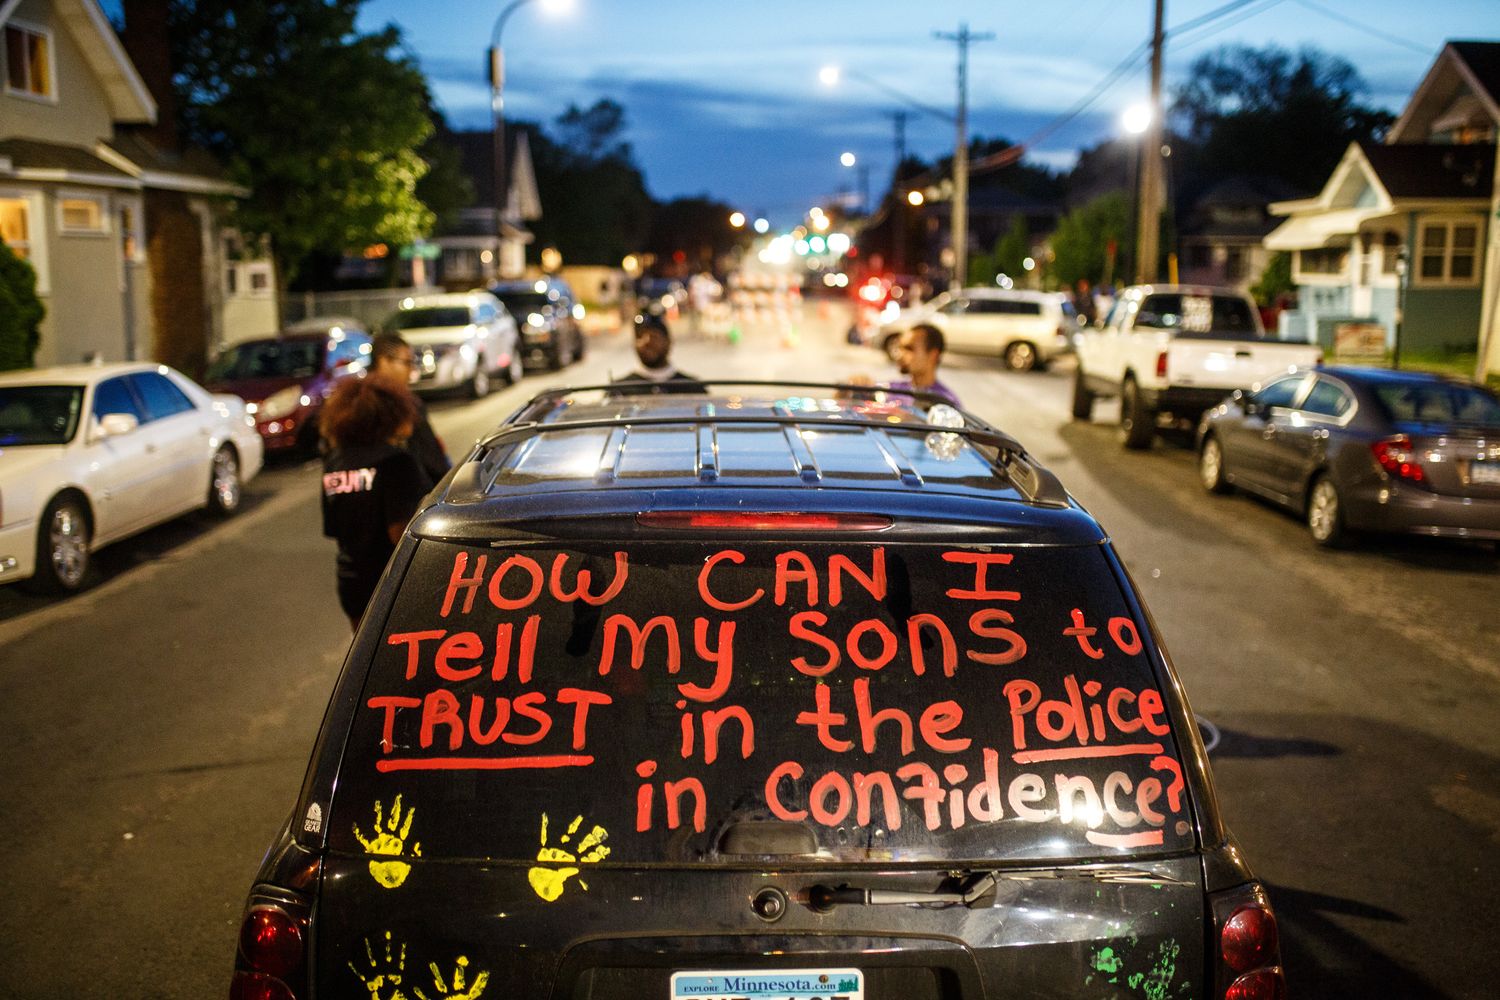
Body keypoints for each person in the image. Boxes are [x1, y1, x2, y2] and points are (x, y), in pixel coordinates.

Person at [320, 378, 433, 629]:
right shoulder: (397, 462)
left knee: (366, 656)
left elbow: (334, 529)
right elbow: (401, 534)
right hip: (394, 582)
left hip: (352, 582)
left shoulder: (334, 462)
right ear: (390, 415)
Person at [368, 332, 451, 483]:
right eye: (407, 363)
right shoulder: (404, 405)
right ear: (384, 361)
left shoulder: (351, 405)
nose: (412, 370)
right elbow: (433, 460)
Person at [611, 313, 705, 394]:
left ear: (668, 342)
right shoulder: (619, 390)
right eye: (640, 336)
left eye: (654, 336)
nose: (647, 342)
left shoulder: (692, 387)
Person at [887, 323, 961, 408]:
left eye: (909, 349)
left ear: (933, 355)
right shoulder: (891, 389)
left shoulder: (945, 402)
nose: (900, 355)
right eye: (900, 348)